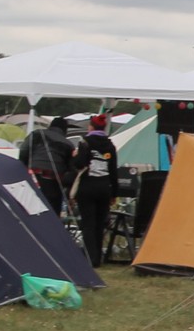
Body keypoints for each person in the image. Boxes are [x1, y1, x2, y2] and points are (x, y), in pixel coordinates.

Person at [70, 113, 120, 266]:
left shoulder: (85, 142)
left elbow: (79, 164)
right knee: (99, 224)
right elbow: (113, 171)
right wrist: (114, 193)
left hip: (88, 187)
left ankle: (90, 258)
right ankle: (98, 257)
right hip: (104, 187)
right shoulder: (110, 146)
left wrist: (75, 156)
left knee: (88, 224)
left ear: (91, 127)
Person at [17, 117, 76, 216]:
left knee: (29, 204)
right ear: (64, 129)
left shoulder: (37, 134)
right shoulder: (69, 144)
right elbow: (70, 168)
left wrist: (24, 167)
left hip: (34, 174)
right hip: (55, 179)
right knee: (53, 209)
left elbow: (23, 151)